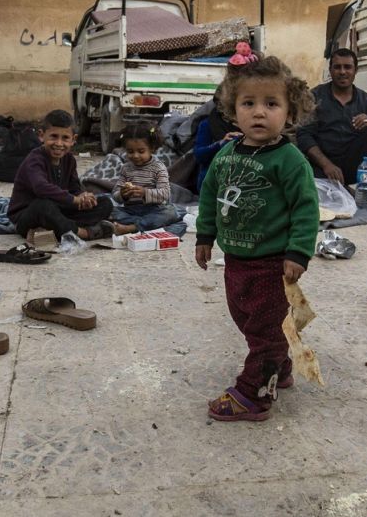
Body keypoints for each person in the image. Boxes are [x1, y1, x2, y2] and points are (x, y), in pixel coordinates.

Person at [195, 49, 318, 422]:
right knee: (245, 317)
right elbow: (210, 197)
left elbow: (305, 208)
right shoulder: (226, 154)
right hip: (236, 260)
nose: (259, 112)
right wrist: (204, 236)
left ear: (290, 111)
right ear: (234, 108)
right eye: (248, 103)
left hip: (271, 263)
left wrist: (298, 252)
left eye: (271, 103)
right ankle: (279, 365)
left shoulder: (290, 160)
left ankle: (254, 393)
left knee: (263, 328)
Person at [8, 109, 114, 242]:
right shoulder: (34, 160)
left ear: (73, 140)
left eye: (65, 138)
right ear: (41, 136)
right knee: (43, 206)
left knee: (105, 203)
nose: (59, 144)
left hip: (59, 210)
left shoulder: (69, 160)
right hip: (29, 216)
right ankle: (83, 233)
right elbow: (41, 188)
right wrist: (74, 200)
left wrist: (83, 197)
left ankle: (58, 227)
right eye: (53, 136)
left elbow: (74, 188)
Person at [296, 48, 367, 187]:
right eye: (337, 67)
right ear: (330, 70)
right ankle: (340, 189)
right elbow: (304, 136)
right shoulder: (314, 97)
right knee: (305, 176)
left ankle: (364, 189)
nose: (342, 72)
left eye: (348, 67)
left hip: (352, 166)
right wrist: (327, 165)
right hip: (321, 166)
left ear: (355, 70)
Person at [109, 124, 184, 235]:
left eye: (141, 151)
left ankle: (132, 228)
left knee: (170, 213)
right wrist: (123, 194)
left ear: (151, 149)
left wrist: (145, 193)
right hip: (131, 211)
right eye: (130, 151)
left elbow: (165, 193)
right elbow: (115, 194)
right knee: (109, 210)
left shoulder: (158, 167)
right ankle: (148, 226)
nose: (135, 155)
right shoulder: (126, 168)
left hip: (154, 209)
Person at [193, 118, 243, 192]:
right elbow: (199, 155)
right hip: (213, 185)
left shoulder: (251, 124)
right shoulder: (209, 124)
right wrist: (220, 143)